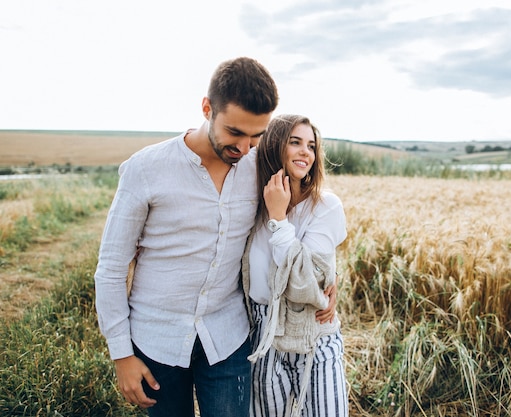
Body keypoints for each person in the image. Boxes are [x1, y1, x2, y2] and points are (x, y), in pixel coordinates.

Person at [94, 57, 279, 417]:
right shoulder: (146, 169)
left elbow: (300, 212)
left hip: (227, 337)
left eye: (257, 135)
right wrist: (121, 354)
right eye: (235, 132)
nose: (245, 147)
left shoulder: (259, 167)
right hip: (156, 341)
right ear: (207, 108)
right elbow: (112, 268)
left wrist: (324, 275)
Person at [241, 115, 349, 416]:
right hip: (264, 335)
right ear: (275, 146)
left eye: (312, 146)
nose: (306, 152)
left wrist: (278, 221)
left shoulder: (325, 206)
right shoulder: (253, 204)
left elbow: (307, 284)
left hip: (314, 330)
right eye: (295, 142)